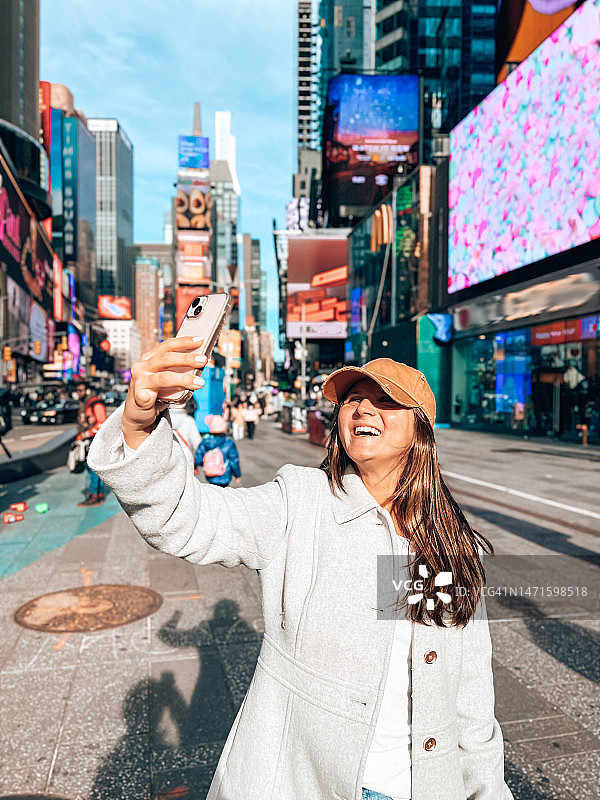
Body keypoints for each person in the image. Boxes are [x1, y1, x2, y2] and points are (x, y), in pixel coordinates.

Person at [87, 343, 514, 800]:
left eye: (386, 400)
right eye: (353, 398)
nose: (363, 407)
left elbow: (471, 697)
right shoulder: (299, 502)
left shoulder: (449, 541)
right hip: (305, 783)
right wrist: (138, 423)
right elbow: (186, 518)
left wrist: (488, 790)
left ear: (420, 433)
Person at [76, 381, 108, 506]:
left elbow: (102, 423)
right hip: (90, 440)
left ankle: (95, 495)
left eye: (80, 390)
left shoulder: (96, 404)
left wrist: (87, 434)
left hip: (96, 441)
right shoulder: (86, 404)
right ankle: (98, 494)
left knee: (93, 468)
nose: (78, 393)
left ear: (88, 391)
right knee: (93, 468)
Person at [195, 414, 241, 487]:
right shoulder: (228, 442)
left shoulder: (205, 442)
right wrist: (237, 475)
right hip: (225, 475)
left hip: (210, 475)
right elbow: (234, 461)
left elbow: (198, 459)